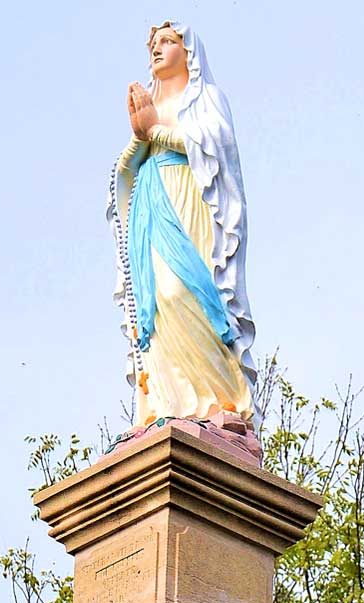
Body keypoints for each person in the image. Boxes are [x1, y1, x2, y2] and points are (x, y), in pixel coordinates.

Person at [107, 21, 257, 429]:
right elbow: (124, 172)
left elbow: (215, 145)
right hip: (150, 206)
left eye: (167, 41)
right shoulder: (150, 107)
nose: (156, 49)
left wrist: (155, 130)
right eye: (153, 44)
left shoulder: (205, 98)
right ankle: (166, 405)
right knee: (155, 304)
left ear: (188, 50)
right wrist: (141, 136)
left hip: (190, 200)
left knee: (185, 292)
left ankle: (220, 399)